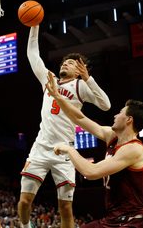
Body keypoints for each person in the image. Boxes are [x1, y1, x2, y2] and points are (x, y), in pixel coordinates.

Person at [17, 25, 111, 228]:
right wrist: (35, 26)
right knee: (25, 201)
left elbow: (106, 105)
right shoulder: (49, 79)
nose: (65, 63)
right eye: (65, 61)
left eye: (71, 63)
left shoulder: (80, 86)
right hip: (41, 147)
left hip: (65, 151)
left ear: (78, 71)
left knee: (66, 208)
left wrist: (88, 78)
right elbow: (33, 53)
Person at [46, 72, 143, 228]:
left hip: (132, 221)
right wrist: (58, 97)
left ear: (129, 119)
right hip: (113, 219)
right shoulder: (111, 136)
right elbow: (80, 119)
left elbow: (91, 172)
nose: (115, 115)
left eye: (120, 112)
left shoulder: (134, 149)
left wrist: (69, 149)